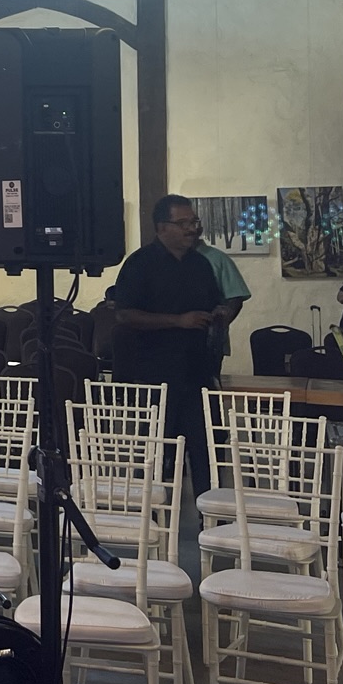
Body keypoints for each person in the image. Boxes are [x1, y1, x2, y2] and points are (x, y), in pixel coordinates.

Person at [109, 194, 223, 492]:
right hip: (156, 373)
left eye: (194, 222)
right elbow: (124, 314)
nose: (191, 229)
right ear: (162, 227)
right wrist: (177, 321)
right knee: (157, 454)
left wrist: (218, 314)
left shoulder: (200, 264)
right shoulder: (140, 264)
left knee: (207, 451)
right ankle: (152, 514)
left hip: (197, 371)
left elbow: (214, 303)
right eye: (183, 223)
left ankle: (209, 513)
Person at [193, 232, 250, 385]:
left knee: (208, 387)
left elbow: (235, 298)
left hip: (208, 340)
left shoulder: (217, 259)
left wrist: (218, 327)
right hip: (171, 342)